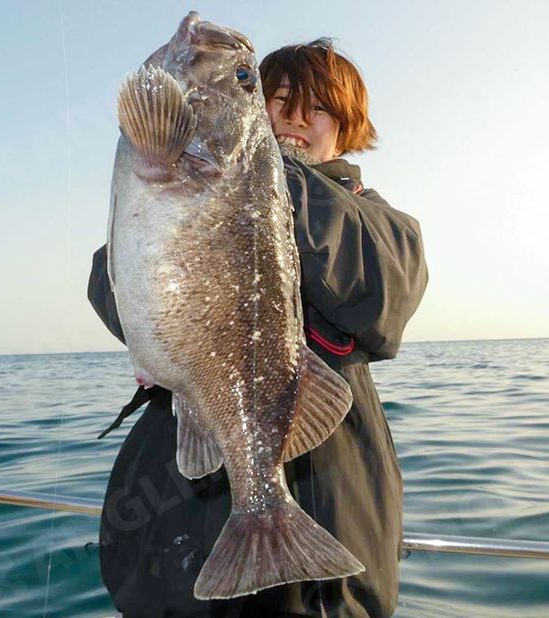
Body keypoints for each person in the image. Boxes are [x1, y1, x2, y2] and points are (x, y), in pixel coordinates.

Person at [88, 39, 428, 618]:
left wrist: (256, 174)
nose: (296, 117)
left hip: (327, 535)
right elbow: (112, 294)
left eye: (318, 107)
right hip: (172, 548)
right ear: (255, 111)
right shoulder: (199, 179)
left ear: (347, 128)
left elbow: (383, 292)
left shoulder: (385, 228)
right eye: (278, 98)